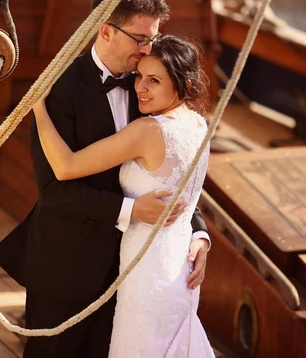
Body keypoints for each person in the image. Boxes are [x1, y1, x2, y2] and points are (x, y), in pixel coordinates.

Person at [0, 0, 210, 358]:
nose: (148, 50)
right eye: (141, 39)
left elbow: (172, 172)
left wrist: (199, 234)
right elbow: (54, 190)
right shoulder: (60, 88)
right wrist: (131, 211)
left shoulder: (152, 89)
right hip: (67, 264)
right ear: (106, 30)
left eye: (153, 40)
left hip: (132, 271)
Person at [33, 34, 214, 357]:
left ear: (183, 85)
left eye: (154, 81)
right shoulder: (200, 125)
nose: (140, 88)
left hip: (145, 276)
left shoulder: (147, 131)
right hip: (178, 275)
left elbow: (65, 166)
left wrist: (37, 110)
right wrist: (200, 237)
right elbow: (185, 190)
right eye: (140, 77)